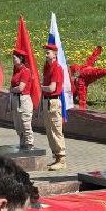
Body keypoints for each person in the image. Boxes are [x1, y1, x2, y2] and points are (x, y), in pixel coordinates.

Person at [39, 41, 67, 170]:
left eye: (48, 51)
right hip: (47, 100)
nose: (46, 53)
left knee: (56, 130)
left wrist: (39, 87)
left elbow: (52, 88)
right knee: (49, 131)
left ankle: (62, 159)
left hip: (53, 101)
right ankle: (56, 156)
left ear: (55, 54)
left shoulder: (56, 68)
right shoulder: (47, 67)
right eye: (46, 51)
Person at [8, 47, 37, 151]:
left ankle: (29, 144)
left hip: (23, 100)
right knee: (18, 124)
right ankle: (22, 144)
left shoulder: (25, 71)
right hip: (16, 100)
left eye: (15, 58)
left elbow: (21, 88)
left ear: (21, 58)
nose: (13, 59)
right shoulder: (16, 70)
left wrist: (11, 89)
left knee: (25, 123)